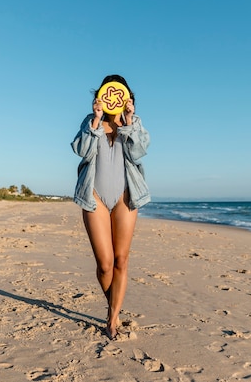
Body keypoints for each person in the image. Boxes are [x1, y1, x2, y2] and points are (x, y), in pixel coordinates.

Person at [71, 74, 150, 340]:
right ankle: (113, 305)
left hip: (125, 197)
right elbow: (81, 150)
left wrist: (129, 121)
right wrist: (95, 119)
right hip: (94, 196)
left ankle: (112, 318)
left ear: (127, 97)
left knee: (121, 260)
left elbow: (139, 152)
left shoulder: (134, 123)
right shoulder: (91, 122)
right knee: (105, 265)